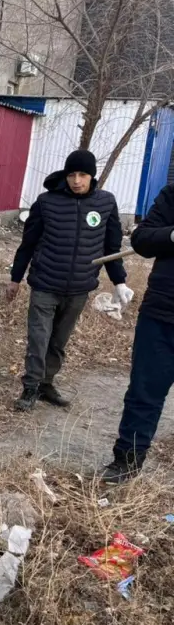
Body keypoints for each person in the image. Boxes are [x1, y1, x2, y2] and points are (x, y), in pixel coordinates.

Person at [7, 149, 134, 412]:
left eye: (82, 175)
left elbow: (111, 248)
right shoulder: (46, 202)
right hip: (45, 283)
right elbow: (28, 243)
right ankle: (30, 387)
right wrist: (15, 278)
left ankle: (46, 384)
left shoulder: (106, 203)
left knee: (58, 342)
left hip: (79, 287)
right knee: (39, 339)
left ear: (92, 176)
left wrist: (119, 282)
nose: (76, 180)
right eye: (71, 174)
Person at [101, 184, 174, 483]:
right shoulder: (172, 195)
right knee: (144, 393)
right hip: (162, 314)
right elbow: (142, 239)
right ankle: (127, 461)